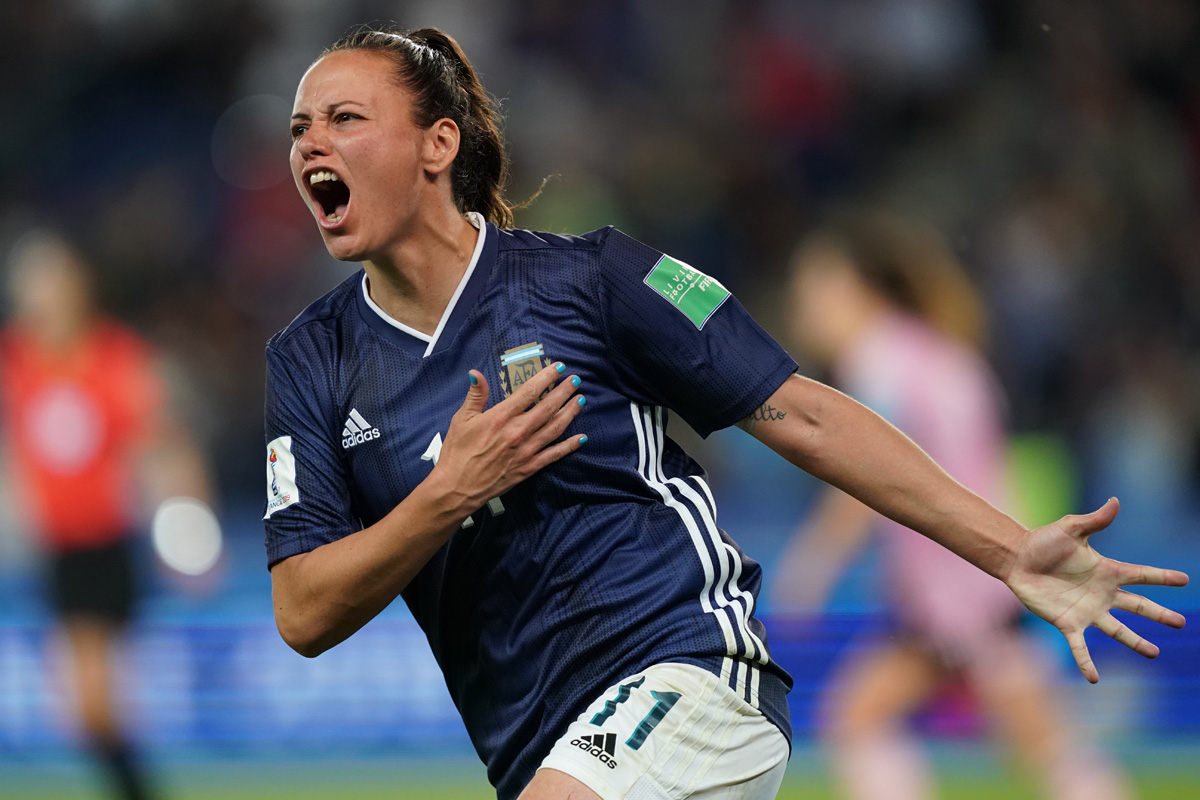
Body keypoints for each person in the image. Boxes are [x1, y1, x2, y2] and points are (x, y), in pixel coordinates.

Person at [264, 25, 1188, 800]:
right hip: (538, 747)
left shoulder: (592, 279)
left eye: (345, 119)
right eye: (300, 126)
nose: (311, 144)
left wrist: (1010, 551)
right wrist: (448, 494)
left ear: (438, 145)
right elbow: (304, 611)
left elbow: (805, 416)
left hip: (692, 676)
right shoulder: (309, 362)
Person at [772, 212, 1137, 800]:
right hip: (984, 570)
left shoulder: (880, 358)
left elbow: (865, 468)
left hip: (960, 584)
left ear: (858, 288)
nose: (806, 306)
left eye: (816, 287)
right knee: (877, 718)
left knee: (875, 719)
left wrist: (814, 563)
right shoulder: (941, 351)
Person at [0, 230, 213, 800]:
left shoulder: (113, 357)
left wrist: (190, 534)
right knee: (84, 711)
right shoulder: (17, 360)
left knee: (91, 703)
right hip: (55, 552)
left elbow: (161, 446)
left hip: (105, 546)